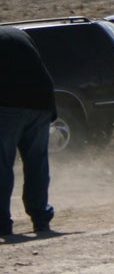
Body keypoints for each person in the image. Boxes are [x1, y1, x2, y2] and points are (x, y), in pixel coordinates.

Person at [0, 25, 56, 235]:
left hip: (8, 106)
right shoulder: (17, 33)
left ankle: (2, 223)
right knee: (37, 162)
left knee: (2, 164)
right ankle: (41, 218)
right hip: (42, 102)